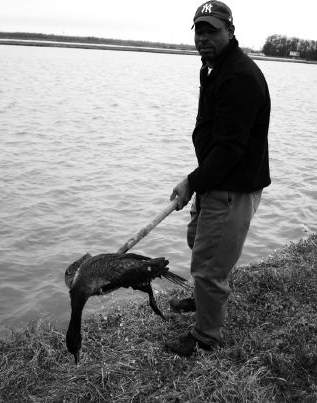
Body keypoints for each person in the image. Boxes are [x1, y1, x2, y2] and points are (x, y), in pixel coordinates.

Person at [164, 0, 271, 356]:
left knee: (210, 267)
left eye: (213, 30)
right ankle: (205, 301)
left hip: (232, 185)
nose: (205, 38)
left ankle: (206, 337)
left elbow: (230, 150)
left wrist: (192, 181)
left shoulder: (239, 77)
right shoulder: (213, 69)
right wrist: (200, 180)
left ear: (230, 31)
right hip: (217, 178)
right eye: (200, 30)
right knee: (200, 242)